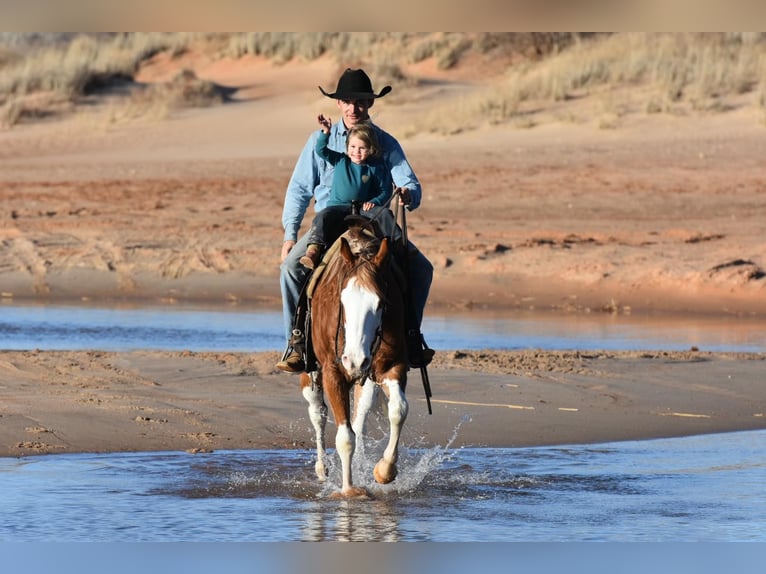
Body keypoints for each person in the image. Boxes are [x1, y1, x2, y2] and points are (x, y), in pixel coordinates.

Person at [277, 68, 434, 373]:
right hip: (330, 222)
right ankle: (296, 343)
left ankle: (411, 337)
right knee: (289, 270)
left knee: (421, 269)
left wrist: (407, 194)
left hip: (374, 221)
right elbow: (299, 188)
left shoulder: (385, 143)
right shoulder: (319, 142)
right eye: (348, 101)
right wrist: (289, 234)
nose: (353, 108)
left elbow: (409, 181)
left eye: (360, 102)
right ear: (338, 104)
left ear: (370, 104)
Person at [299, 114, 393, 270]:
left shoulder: (374, 168)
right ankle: (313, 250)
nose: (357, 151)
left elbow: (385, 190)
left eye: (362, 148)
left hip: (363, 209)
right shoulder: (341, 160)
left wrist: (375, 202)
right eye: (353, 147)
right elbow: (321, 150)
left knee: (386, 216)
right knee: (322, 217)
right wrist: (326, 132)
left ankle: (396, 248)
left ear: (370, 149)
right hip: (338, 206)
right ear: (347, 147)